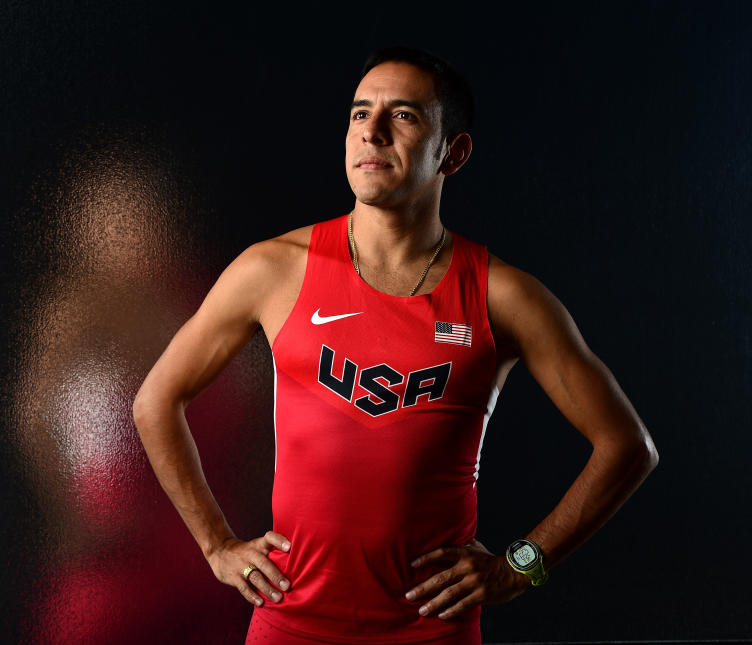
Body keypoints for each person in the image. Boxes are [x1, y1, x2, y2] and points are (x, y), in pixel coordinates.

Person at [132, 46, 659, 645]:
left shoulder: (503, 296)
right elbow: (156, 401)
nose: (373, 132)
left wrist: (520, 566)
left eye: (404, 115)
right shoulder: (274, 270)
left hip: (431, 632)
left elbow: (627, 447)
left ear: (452, 153)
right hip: (291, 622)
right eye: (360, 114)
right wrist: (217, 545)